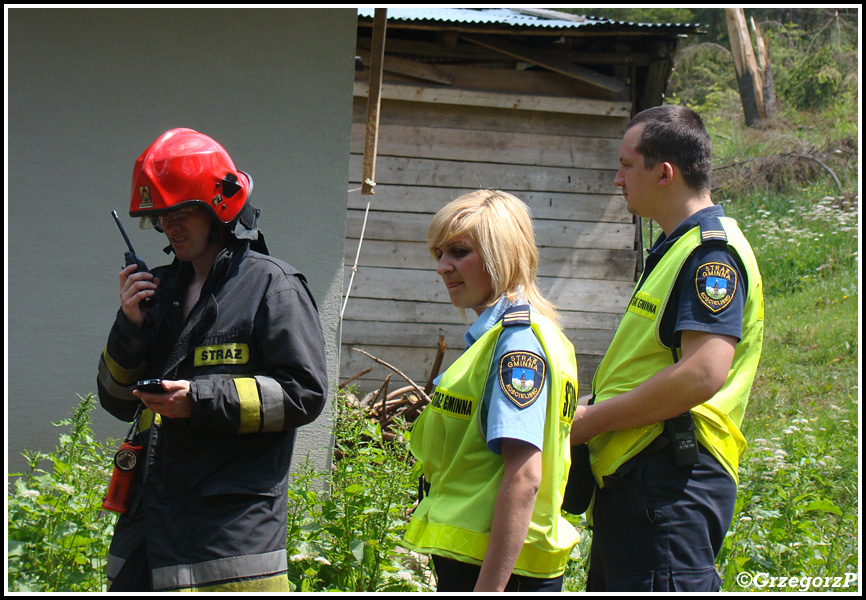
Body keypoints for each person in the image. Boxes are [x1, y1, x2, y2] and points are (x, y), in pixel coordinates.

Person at [96, 128, 328, 592]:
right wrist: (131, 328)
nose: (170, 227)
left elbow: (304, 394)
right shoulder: (158, 292)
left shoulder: (272, 286)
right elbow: (117, 401)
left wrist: (198, 401)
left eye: (182, 212)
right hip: (148, 533)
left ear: (220, 207)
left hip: (229, 541)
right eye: (161, 216)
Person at [569, 105, 764, 591]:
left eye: (627, 165)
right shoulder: (677, 249)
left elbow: (702, 373)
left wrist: (591, 421)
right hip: (644, 477)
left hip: (670, 478)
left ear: (664, 173)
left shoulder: (709, 254)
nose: (618, 179)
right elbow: (648, 367)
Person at [402, 190, 580, 592]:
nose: (443, 267)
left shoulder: (517, 344)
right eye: (438, 254)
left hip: (496, 573)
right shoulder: (506, 337)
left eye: (459, 252)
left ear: (502, 254)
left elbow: (525, 476)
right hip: (489, 563)